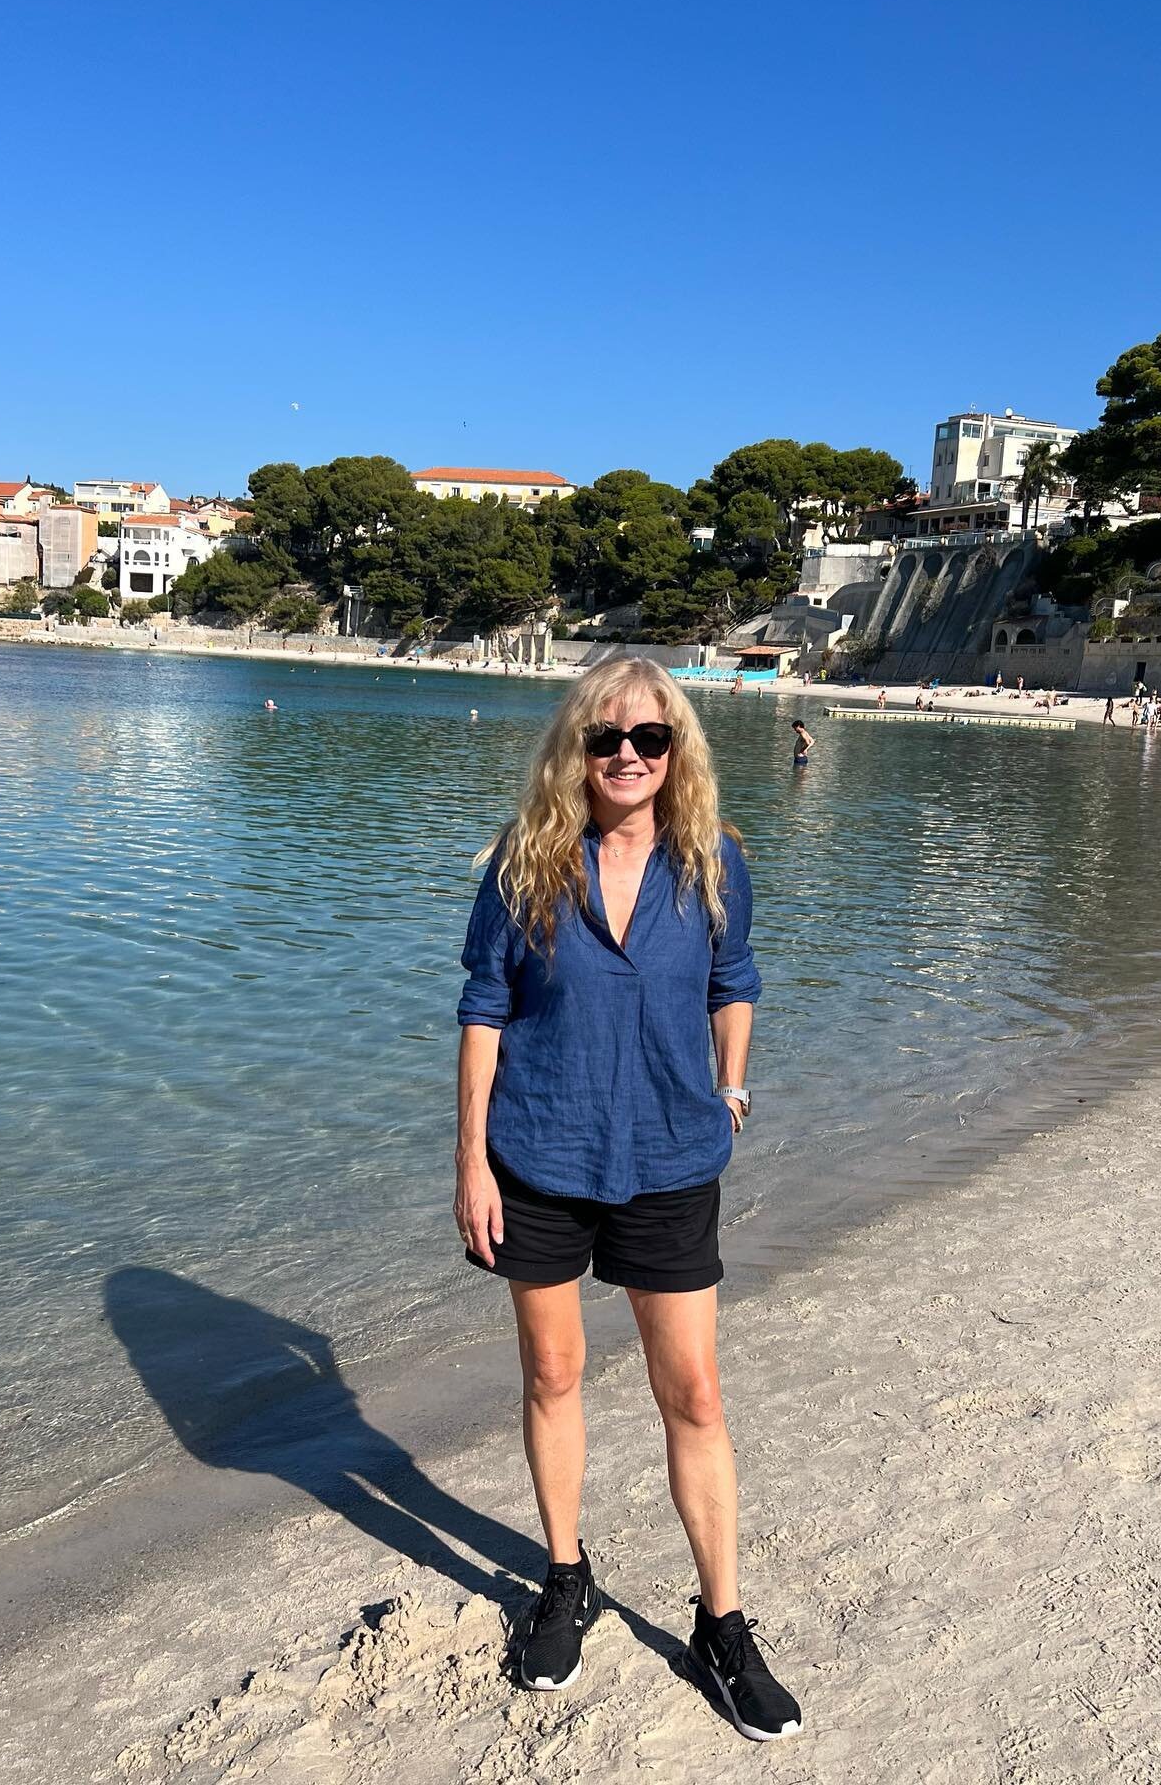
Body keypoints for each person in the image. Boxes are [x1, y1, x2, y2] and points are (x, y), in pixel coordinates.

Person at [454, 658, 801, 1742]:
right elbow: (482, 1007)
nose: (627, 758)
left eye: (649, 739)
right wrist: (469, 1157)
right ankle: (567, 1577)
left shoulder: (714, 861)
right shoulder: (525, 863)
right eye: (607, 739)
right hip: (540, 1152)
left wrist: (731, 1084)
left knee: (693, 1392)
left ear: (676, 750)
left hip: (667, 1158)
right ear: (577, 746)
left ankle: (722, 1622)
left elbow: (733, 979)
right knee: (553, 1373)